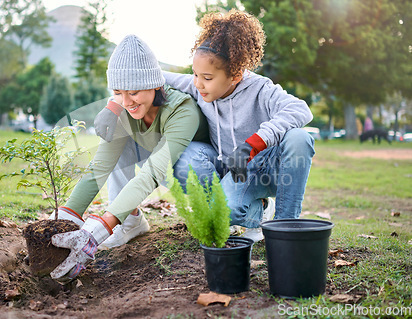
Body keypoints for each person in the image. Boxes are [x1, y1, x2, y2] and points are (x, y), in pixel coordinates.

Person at [95, 9, 315, 242]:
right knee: (187, 158)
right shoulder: (197, 85)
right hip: (230, 170)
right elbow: (143, 78)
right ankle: (254, 211)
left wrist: (254, 144)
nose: (198, 84)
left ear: (236, 74)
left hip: (263, 166)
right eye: (195, 74)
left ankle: (285, 227)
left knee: (299, 138)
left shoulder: (261, 89)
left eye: (207, 78)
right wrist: (113, 105)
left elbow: (300, 109)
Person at [48, 34, 208, 283]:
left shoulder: (182, 110)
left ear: (155, 84)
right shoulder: (123, 109)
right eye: (118, 93)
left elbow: (153, 172)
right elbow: (99, 167)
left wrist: (99, 229)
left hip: (199, 171)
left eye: (133, 92)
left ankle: (239, 211)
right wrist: (63, 219)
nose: (126, 102)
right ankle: (131, 221)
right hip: (158, 162)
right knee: (116, 147)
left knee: (188, 160)